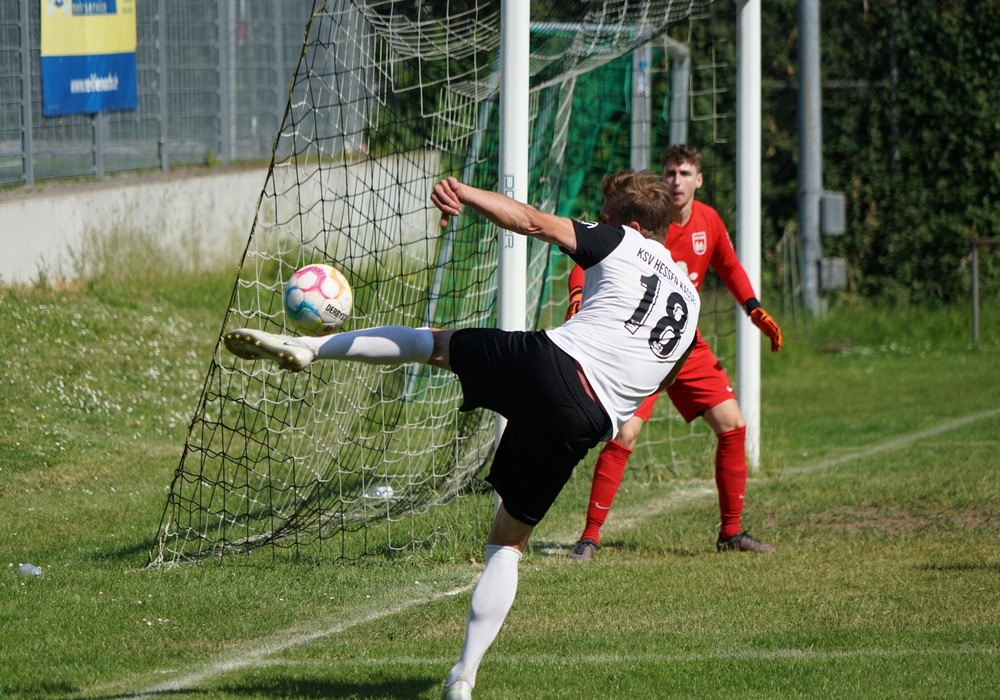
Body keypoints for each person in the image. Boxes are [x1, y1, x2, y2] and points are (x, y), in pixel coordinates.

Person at [223, 170, 700, 700]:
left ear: (631, 225)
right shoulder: (691, 298)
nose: (598, 221)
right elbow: (664, 378)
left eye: (605, 215)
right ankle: (463, 677)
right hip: (586, 421)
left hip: (552, 365)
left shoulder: (621, 242)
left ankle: (311, 347)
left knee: (435, 344)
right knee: (507, 546)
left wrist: (465, 193)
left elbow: (531, 222)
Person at [567, 145, 782, 562]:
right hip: (642, 343)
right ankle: (589, 537)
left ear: (699, 180)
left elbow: (729, 266)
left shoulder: (709, 221)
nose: (676, 180)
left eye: (684, 173)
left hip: (686, 344)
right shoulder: (645, 222)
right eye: (669, 173)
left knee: (733, 425)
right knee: (625, 434)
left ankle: (731, 532)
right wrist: (577, 292)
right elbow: (591, 250)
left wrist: (753, 307)